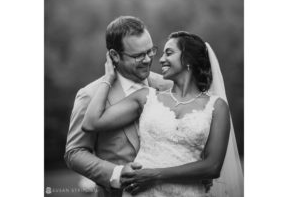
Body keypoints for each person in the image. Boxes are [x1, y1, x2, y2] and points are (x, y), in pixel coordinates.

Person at [82, 31, 244, 197]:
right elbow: (91, 123)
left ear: (188, 59)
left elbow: (213, 166)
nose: (160, 59)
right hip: (141, 192)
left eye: (169, 53)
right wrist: (108, 78)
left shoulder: (216, 106)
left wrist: (155, 175)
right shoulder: (146, 97)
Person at [64, 16, 172, 197]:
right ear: (114, 55)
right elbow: (74, 153)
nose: (147, 59)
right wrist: (116, 173)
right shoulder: (90, 95)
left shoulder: (168, 85)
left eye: (150, 51)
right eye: (138, 55)